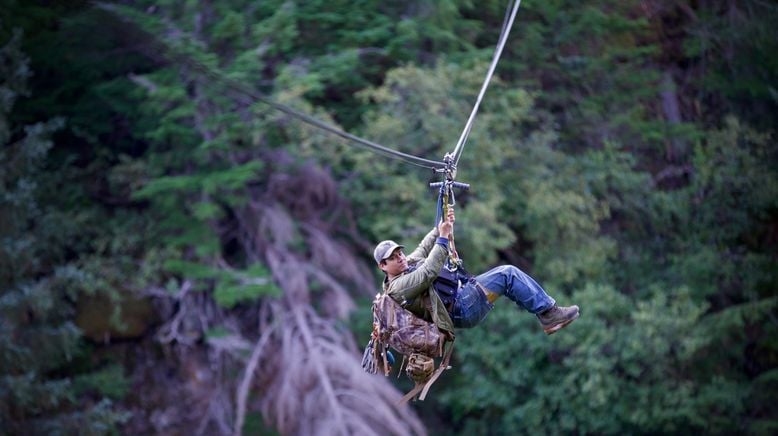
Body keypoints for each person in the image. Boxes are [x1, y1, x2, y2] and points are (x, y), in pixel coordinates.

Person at [373, 206, 579, 336]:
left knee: (508, 279)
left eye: (399, 253)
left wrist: (440, 227)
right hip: (461, 308)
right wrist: (443, 238)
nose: (399, 257)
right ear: (383, 266)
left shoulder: (406, 265)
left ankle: (547, 315)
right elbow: (428, 272)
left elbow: (423, 248)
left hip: (463, 295)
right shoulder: (398, 287)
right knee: (507, 274)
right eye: (392, 258)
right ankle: (549, 314)